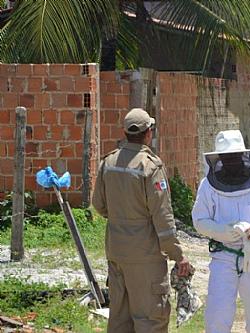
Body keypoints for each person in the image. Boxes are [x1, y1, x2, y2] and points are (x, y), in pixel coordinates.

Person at [92, 108, 190, 333]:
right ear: (148, 133)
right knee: (150, 320)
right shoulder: (149, 166)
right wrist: (178, 255)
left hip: (116, 252)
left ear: (125, 133)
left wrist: (122, 218)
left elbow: (98, 204)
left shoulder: (108, 163)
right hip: (145, 256)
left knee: (119, 320)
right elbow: (163, 218)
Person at [192, 129, 250, 333]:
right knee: (217, 314)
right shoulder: (208, 185)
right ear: (219, 159)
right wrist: (222, 231)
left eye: (234, 156)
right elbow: (199, 220)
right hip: (223, 256)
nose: (232, 161)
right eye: (227, 158)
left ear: (243, 155)